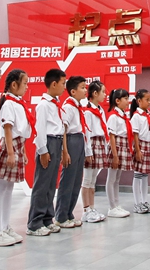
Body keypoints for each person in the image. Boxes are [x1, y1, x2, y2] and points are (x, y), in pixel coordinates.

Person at [0, 69, 30, 247]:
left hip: (18, 145)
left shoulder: (18, 103)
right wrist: (11, 153)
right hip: (9, 145)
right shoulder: (9, 104)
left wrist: (23, 151)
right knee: (1, 187)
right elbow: (7, 128)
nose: (27, 87)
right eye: (24, 83)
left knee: (9, 188)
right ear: (14, 85)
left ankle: (5, 226)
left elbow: (21, 130)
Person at [27, 68, 67, 236]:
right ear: (54, 84)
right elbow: (40, 129)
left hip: (57, 142)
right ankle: (34, 222)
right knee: (42, 184)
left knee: (51, 184)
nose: (64, 87)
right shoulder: (43, 105)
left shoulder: (56, 104)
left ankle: (47, 218)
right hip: (48, 143)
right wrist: (43, 151)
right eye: (63, 83)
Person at [55, 76, 88, 228]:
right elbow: (64, 129)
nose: (85, 90)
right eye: (82, 87)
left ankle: (69, 213)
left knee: (76, 180)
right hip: (71, 140)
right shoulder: (68, 107)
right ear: (73, 91)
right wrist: (65, 151)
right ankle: (61, 216)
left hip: (79, 140)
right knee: (68, 179)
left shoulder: (77, 107)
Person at [79, 81, 109, 223]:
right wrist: (88, 151)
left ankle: (92, 207)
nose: (105, 94)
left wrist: (105, 146)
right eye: (103, 92)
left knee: (93, 181)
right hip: (91, 145)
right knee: (87, 179)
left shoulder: (100, 110)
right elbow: (87, 132)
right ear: (95, 93)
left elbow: (103, 130)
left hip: (99, 144)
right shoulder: (87, 111)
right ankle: (85, 210)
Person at [104, 88, 134, 218]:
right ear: (117, 101)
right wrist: (115, 156)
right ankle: (111, 207)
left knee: (117, 179)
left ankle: (116, 204)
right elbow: (111, 137)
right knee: (111, 178)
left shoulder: (124, 116)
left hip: (123, 146)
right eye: (125, 99)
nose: (128, 101)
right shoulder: (113, 117)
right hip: (116, 147)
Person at [129, 89, 150, 213]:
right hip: (140, 146)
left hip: (148, 146)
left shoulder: (149, 116)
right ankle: (137, 203)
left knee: (145, 176)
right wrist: (138, 150)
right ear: (139, 101)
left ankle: (144, 201)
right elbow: (135, 134)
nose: (149, 102)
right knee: (138, 175)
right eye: (147, 100)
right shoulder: (136, 116)